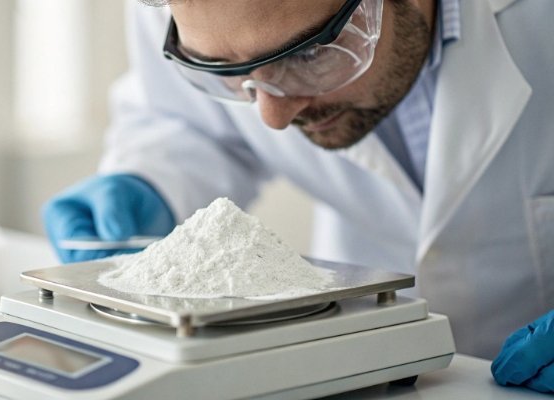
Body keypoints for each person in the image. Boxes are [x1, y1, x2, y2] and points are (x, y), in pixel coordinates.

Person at [43, 0, 554, 392]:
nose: (273, 117)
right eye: (227, 71)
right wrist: (150, 178)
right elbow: (187, 121)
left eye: (312, 53)